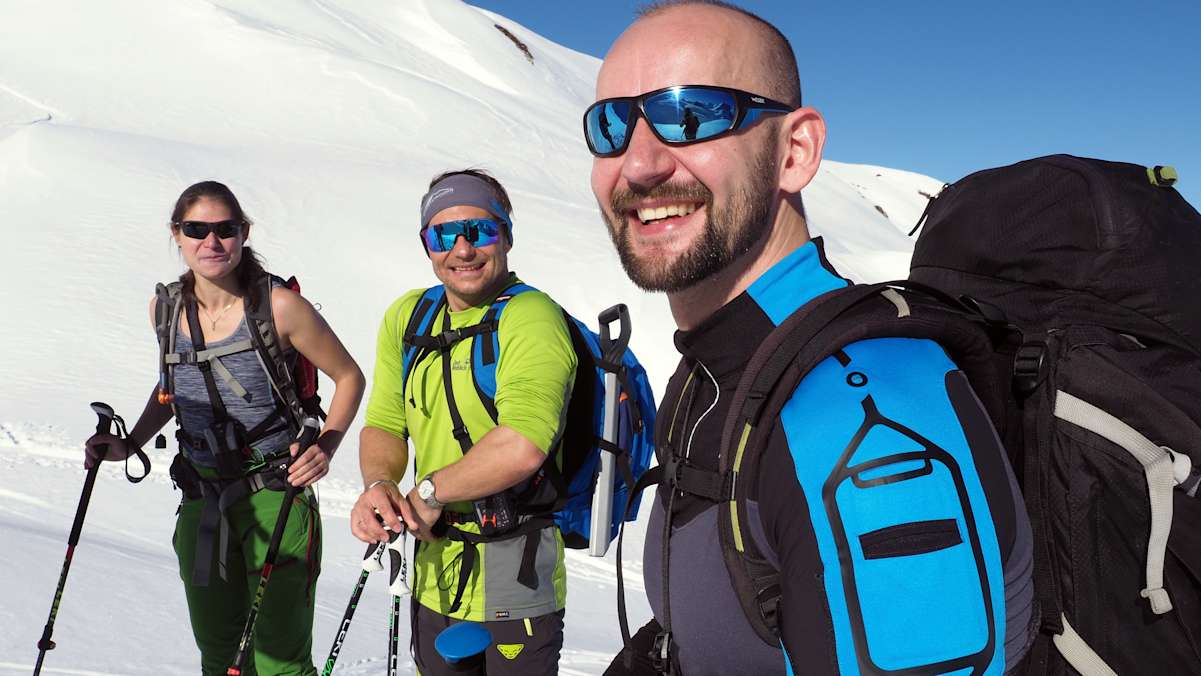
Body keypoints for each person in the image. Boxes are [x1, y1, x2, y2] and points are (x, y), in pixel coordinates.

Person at [583, 2, 1034, 674]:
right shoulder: (721, 370)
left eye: (693, 113)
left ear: (793, 152)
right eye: (610, 125)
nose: (639, 162)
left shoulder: (861, 403)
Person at [84, 180, 365, 675]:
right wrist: (130, 443)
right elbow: (173, 387)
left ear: (243, 233)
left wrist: (328, 443)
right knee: (219, 655)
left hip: (276, 491)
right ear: (177, 234)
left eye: (224, 229)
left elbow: (349, 377)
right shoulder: (165, 310)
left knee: (281, 660)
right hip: (203, 497)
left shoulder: (278, 307)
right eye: (197, 229)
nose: (211, 242)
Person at [350, 169, 577, 675]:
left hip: (515, 572)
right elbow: (386, 421)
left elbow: (523, 443)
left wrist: (428, 493)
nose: (462, 249)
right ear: (426, 244)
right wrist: (381, 485)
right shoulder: (410, 318)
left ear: (507, 236)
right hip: (433, 571)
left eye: (479, 231)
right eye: (443, 235)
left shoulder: (532, 317)